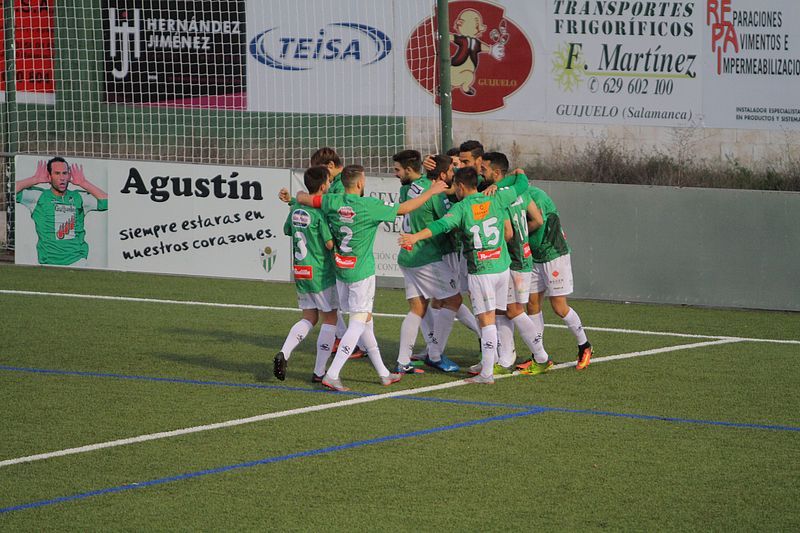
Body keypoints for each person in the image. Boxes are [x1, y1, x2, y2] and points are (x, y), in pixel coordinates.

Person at [281, 164, 447, 391]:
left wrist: (295, 196)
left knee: (365, 321)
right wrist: (431, 191)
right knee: (358, 323)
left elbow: (307, 199)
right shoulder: (369, 206)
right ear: (360, 183)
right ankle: (332, 373)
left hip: (341, 271)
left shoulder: (332, 201)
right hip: (361, 273)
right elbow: (405, 208)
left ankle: (384, 373)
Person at [399, 166, 521, 384]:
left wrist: (415, 237)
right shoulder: (497, 198)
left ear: (462, 187)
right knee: (495, 316)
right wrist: (511, 177)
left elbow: (439, 225)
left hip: (481, 271)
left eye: (456, 187)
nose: (454, 191)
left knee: (486, 320)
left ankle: (487, 372)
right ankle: (494, 362)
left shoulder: (462, 208)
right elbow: (521, 184)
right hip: (502, 267)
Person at [468, 152, 551, 376]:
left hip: (512, 260)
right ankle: (506, 359)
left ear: (496, 173)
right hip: (523, 257)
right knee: (503, 311)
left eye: (483, 168)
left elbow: (507, 232)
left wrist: (494, 244)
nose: (480, 171)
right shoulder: (520, 192)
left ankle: (541, 357)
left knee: (513, 310)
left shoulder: (496, 196)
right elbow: (538, 220)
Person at [393, 151, 460, 375]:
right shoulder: (436, 194)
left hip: (407, 256)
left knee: (418, 308)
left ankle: (403, 361)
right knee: (454, 299)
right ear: (441, 174)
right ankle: (435, 354)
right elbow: (447, 222)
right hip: (426, 257)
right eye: (451, 170)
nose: (453, 173)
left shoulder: (409, 188)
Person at [516, 184, 594, 372]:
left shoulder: (536, 197)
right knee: (532, 304)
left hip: (553, 255)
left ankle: (584, 346)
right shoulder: (512, 195)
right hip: (534, 257)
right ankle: (538, 356)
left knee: (559, 306)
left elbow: (538, 221)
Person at [274, 166, 338, 383]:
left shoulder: (296, 210)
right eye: (329, 182)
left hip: (301, 270)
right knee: (330, 318)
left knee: (309, 317)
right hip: (320, 272)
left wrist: (293, 204)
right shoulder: (319, 213)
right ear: (323, 187)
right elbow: (329, 243)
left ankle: (285, 352)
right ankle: (319, 371)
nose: (330, 185)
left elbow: (287, 230)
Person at [309, 147, 364, 358]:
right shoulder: (339, 184)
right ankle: (351, 342)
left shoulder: (341, 185)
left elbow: (334, 211)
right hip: (342, 250)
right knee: (349, 303)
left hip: (342, 250)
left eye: (321, 170)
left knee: (349, 303)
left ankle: (351, 343)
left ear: (330, 166)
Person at [15, 157, 108, 266]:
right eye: (57, 173)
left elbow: (108, 202)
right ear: (49, 176)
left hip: (77, 261)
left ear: (69, 176)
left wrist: (84, 183)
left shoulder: (78, 197)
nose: (62, 177)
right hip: (48, 262)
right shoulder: (39, 196)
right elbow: (12, 190)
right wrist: (34, 179)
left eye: (65, 173)